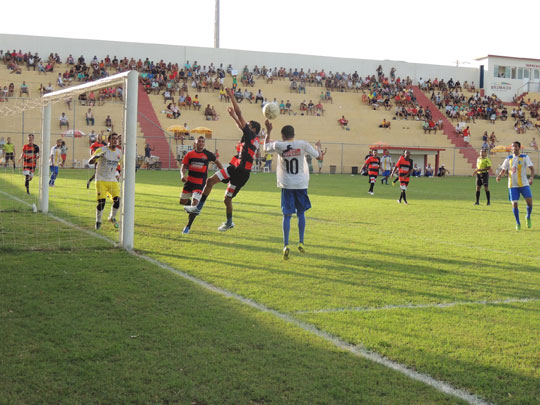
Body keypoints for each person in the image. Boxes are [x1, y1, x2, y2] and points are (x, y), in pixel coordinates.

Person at [184, 88, 261, 231]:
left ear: (254, 129)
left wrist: (231, 96)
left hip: (242, 172)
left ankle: (229, 222)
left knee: (227, 199)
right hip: (235, 167)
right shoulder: (249, 137)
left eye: (249, 125)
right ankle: (198, 208)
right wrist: (233, 117)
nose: (245, 125)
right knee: (210, 181)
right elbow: (240, 124)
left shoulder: (251, 136)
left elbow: (240, 114)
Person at [263, 122, 322, 259]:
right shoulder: (303, 144)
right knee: (301, 213)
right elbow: (319, 157)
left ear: (283, 136)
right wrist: (318, 146)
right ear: (293, 135)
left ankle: (286, 244)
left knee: (287, 215)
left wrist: (268, 131)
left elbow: (265, 148)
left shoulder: (279, 145)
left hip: (287, 185)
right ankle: (301, 241)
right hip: (301, 184)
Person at [180, 136, 223, 234]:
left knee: (194, 204)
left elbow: (217, 162)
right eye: (199, 141)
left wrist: (223, 173)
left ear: (204, 143)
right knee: (183, 201)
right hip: (189, 182)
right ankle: (194, 208)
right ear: (195, 143)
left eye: (202, 141)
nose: (200, 143)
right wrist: (182, 175)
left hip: (200, 184)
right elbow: (184, 166)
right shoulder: (190, 154)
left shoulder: (208, 154)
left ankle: (187, 227)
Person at [496, 141, 534, 230]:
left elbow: (532, 169)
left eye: (516, 146)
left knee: (529, 202)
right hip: (513, 186)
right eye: (513, 147)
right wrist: (500, 176)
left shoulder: (525, 157)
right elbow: (503, 170)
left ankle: (528, 217)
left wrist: (531, 178)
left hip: (524, 184)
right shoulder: (508, 158)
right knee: (514, 204)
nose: (514, 148)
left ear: (519, 148)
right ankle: (518, 223)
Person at [88, 132, 122, 230]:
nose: (115, 140)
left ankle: (112, 217)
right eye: (113, 139)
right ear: (109, 140)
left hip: (112, 180)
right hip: (101, 180)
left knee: (117, 201)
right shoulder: (102, 150)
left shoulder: (119, 153)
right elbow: (90, 162)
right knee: (101, 202)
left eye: (116, 139)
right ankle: (98, 220)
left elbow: (121, 164)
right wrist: (96, 157)